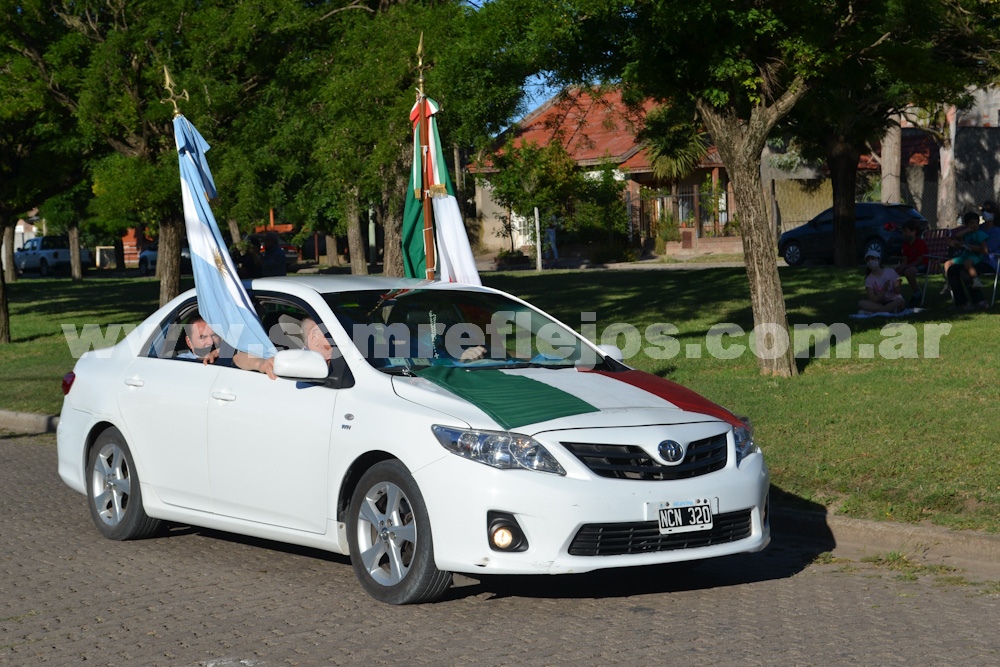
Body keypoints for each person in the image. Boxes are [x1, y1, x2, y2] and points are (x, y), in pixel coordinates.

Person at [179, 313, 276, 378]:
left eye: (214, 335)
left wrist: (261, 364)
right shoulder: (180, 363)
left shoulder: (225, 352)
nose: (211, 342)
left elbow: (238, 357)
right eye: (202, 337)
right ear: (189, 342)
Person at [942, 211, 988, 291]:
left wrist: (969, 246)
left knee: (967, 263)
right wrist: (967, 230)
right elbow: (957, 236)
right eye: (971, 223)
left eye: (976, 223)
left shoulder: (980, 234)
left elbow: (984, 249)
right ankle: (949, 281)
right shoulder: (967, 233)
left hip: (975, 256)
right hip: (965, 255)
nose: (974, 225)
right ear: (966, 225)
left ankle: (976, 280)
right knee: (947, 263)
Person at [858, 249, 905, 314]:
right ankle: (888, 309)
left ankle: (876, 312)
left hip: (894, 300)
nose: (870, 261)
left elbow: (898, 291)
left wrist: (897, 283)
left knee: (900, 301)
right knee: (861, 303)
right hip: (880, 303)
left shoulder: (890, 272)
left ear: (879, 260)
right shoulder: (868, 279)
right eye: (868, 260)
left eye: (872, 258)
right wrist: (884, 290)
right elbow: (873, 299)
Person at [895, 220, 928, 306]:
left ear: (914, 232)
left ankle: (917, 293)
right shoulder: (905, 245)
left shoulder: (919, 242)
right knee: (894, 272)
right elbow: (905, 260)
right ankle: (894, 296)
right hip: (911, 265)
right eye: (903, 231)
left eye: (906, 231)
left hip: (923, 265)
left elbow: (920, 260)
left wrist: (907, 267)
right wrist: (901, 267)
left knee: (908, 272)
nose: (904, 234)